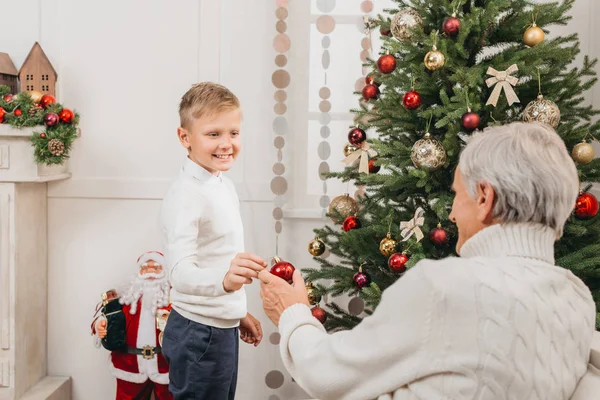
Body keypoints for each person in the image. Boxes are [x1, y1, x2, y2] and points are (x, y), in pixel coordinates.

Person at [259, 122, 597, 400]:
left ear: (484, 197)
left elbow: (326, 374)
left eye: (456, 195)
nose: (450, 213)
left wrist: (293, 313)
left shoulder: (445, 286)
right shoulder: (575, 298)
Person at [160, 82, 266, 399]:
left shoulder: (221, 183)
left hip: (218, 326)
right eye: (213, 134)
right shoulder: (186, 195)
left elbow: (217, 255)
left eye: (233, 133)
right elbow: (179, 272)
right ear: (185, 138)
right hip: (198, 334)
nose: (227, 144)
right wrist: (227, 282)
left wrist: (236, 312)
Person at [93, 251, 172, 400]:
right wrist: (100, 324)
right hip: (129, 366)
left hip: (166, 367)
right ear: (138, 272)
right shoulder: (127, 297)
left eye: (156, 268)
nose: (150, 272)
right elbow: (104, 312)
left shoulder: (174, 299)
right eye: (145, 268)